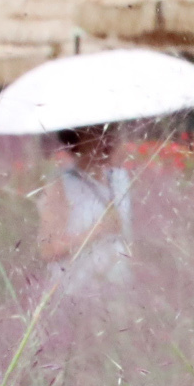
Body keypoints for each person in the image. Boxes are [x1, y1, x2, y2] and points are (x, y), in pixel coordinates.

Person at [37, 123, 133, 297]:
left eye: (112, 131)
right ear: (77, 138)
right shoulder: (61, 184)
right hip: (78, 293)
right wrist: (96, 231)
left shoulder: (120, 179)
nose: (108, 140)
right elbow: (48, 250)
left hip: (119, 289)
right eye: (98, 132)